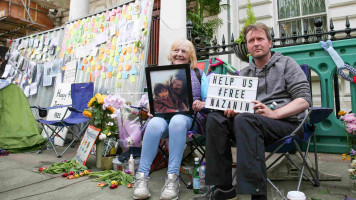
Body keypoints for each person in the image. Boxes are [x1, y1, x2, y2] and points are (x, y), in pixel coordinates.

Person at [205, 22, 311, 200]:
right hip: (251, 125)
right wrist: (233, 109)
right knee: (216, 119)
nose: (256, 43)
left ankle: (257, 194)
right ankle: (223, 190)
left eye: (260, 39)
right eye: (251, 40)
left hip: (285, 123)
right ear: (247, 46)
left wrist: (275, 113)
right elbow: (241, 108)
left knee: (245, 120)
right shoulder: (243, 74)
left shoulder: (287, 64)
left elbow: (304, 100)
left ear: (270, 43)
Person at [133, 39, 209, 200]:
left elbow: (209, 99)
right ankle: (141, 177)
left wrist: (201, 103)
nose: (180, 54)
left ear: (190, 56)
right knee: (153, 124)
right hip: (162, 117)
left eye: (184, 51)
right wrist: (148, 106)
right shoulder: (160, 74)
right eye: (176, 50)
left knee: (178, 121)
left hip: (189, 119)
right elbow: (148, 98)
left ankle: (172, 178)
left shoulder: (198, 74)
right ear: (171, 53)